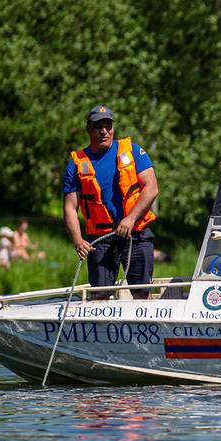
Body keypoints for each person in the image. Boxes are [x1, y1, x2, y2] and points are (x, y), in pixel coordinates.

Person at [62, 104, 159, 299]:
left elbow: (152, 188)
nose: (104, 131)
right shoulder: (77, 164)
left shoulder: (132, 151)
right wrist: (78, 240)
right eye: (98, 126)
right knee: (100, 296)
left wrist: (131, 219)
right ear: (89, 129)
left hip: (136, 233)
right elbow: (70, 207)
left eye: (108, 126)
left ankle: (142, 328)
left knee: (142, 293)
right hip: (101, 240)